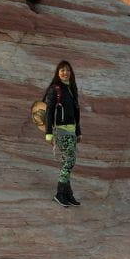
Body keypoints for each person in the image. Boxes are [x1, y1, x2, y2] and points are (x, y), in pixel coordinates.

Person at [44, 61, 82, 206]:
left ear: (71, 73)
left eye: (68, 70)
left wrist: (78, 132)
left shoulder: (71, 88)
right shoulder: (55, 89)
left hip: (71, 131)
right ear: (58, 73)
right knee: (70, 161)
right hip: (61, 131)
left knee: (67, 161)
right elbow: (49, 111)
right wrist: (48, 133)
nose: (65, 73)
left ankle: (67, 193)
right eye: (62, 70)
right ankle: (60, 193)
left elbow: (76, 113)